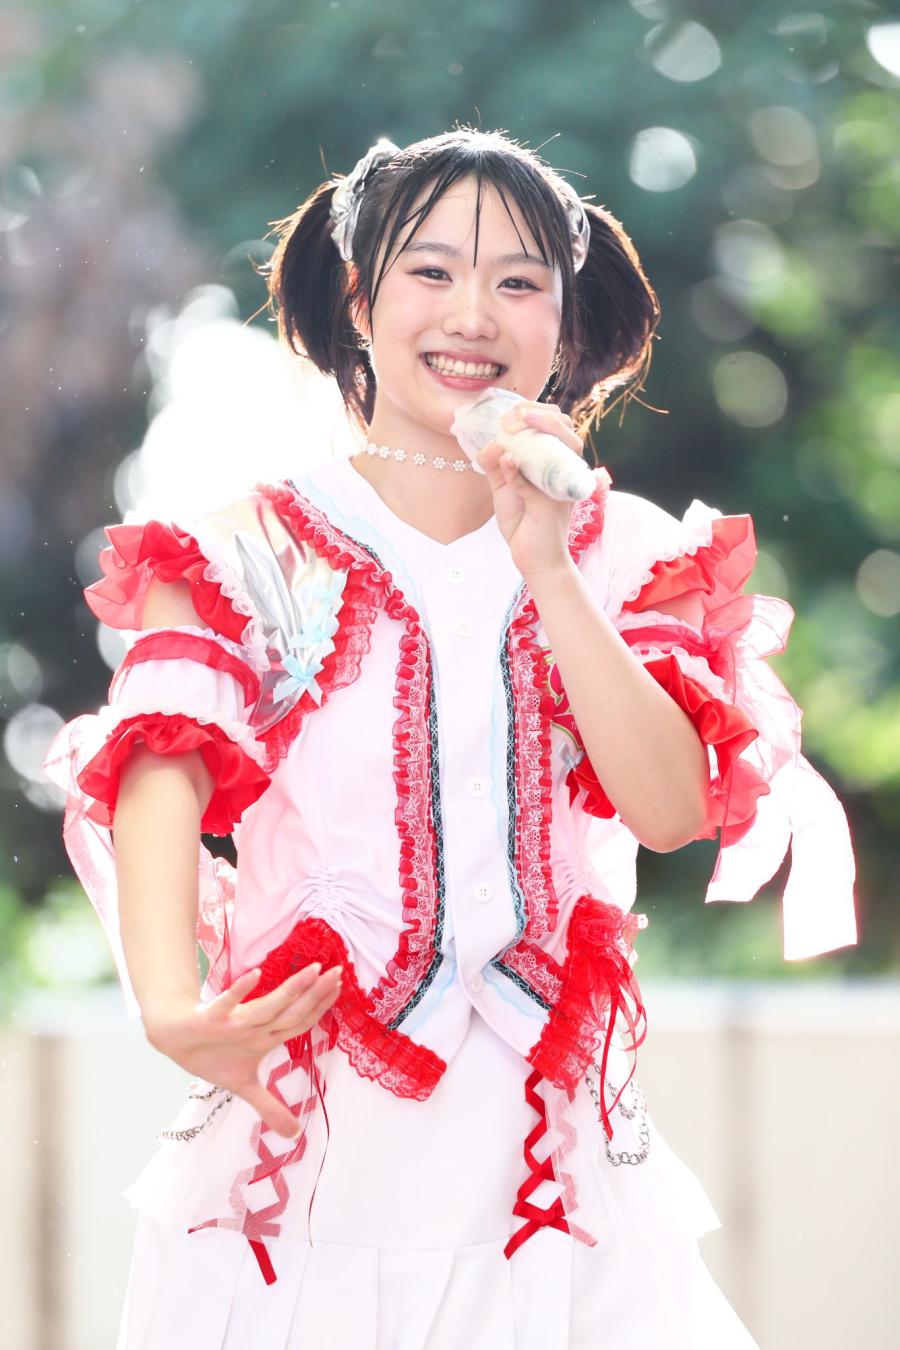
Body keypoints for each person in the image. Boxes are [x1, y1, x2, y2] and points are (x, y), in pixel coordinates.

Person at [42, 126, 858, 1349]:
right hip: (307, 1149)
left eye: (519, 281)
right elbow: (163, 760)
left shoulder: (633, 551)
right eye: (431, 271)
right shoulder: (239, 547)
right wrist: (168, 1002)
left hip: (556, 1169)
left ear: (563, 324)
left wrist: (550, 566)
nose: (473, 314)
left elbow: (671, 810)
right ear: (359, 299)